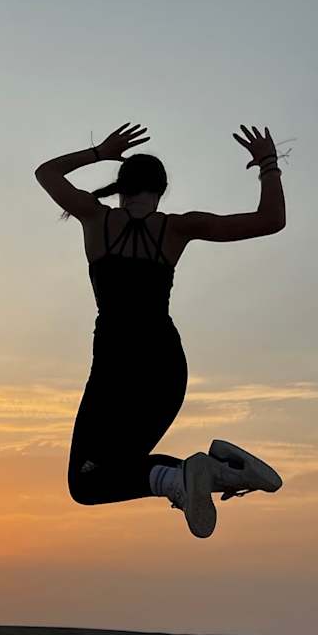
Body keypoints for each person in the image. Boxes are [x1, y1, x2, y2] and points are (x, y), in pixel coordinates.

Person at [34, 122, 286, 539]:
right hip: (165, 368)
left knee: (87, 483)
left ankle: (193, 474)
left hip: (116, 368)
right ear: (162, 190)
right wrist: (268, 164)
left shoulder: (96, 218)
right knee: (117, 469)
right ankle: (221, 471)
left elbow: (46, 172)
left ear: (121, 187)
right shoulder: (177, 228)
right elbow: (271, 220)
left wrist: (100, 152)